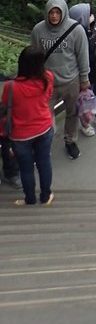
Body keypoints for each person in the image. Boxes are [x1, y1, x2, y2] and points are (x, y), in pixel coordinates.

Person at [30, 0, 90, 161]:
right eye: (51, 12)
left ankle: (71, 141)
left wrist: (84, 79)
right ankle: (44, 146)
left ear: (63, 12)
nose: (54, 16)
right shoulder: (38, 30)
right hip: (47, 83)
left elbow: (82, 56)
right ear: (46, 13)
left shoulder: (76, 30)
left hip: (71, 81)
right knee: (45, 118)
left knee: (73, 113)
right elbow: (34, 56)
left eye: (57, 12)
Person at [2, 47, 55, 206]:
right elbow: (48, 96)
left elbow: (5, 105)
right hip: (44, 127)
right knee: (44, 163)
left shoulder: (11, 87)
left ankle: (30, 199)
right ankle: (45, 197)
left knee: (26, 169)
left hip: (20, 134)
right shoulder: (48, 77)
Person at [69, 3, 96, 136]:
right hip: (83, 74)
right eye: (89, 14)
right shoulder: (75, 35)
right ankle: (85, 123)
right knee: (85, 99)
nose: (92, 17)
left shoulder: (92, 31)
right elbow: (82, 57)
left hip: (95, 72)